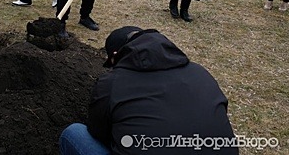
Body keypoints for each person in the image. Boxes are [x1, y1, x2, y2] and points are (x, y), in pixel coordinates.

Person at [59, 26, 238, 155]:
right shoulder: (199, 72)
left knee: (73, 134)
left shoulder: (112, 83)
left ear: (115, 57)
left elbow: (98, 133)